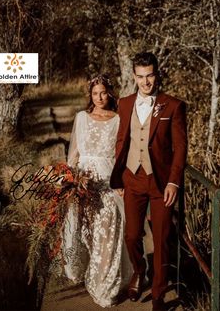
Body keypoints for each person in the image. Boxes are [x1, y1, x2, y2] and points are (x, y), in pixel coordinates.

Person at [110, 52, 187, 311]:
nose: (146, 82)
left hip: (160, 182)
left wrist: (174, 183)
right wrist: (118, 175)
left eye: (150, 75)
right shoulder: (125, 103)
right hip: (132, 177)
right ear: (134, 76)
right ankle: (139, 271)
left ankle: (158, 294)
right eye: (141, 77)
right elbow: (122, 141)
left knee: (162, 238)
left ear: (157, 73)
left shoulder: (173, 105)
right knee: (132, 236)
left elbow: (180, 147)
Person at [62, 75, 132, 308]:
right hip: (84, 185)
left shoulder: (119, 120)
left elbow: (123, 156)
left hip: (108, 183)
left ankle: (105, 286)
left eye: (103, 92)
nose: (99, 98)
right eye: (95, 93)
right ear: (90, 96)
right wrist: (69, 182)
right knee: (88, 235)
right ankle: (90, 269)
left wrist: (122, 183)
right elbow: (74, 155)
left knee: (108, 235)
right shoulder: (81, 118)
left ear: (109, 93)